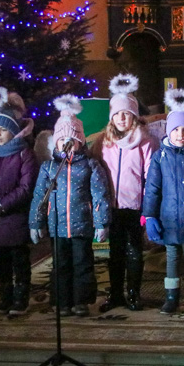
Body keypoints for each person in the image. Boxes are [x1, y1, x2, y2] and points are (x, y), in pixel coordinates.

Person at [29, 95, 110, 317]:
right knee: (60, 266)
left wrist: (102, 222)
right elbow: (39, 196)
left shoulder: (89, 165)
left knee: (82, 264)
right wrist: (36, 223)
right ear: (55, 142)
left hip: (81, 227)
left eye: (72, 140)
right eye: (62, 139)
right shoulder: (49, 168)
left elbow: (100, 194)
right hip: (57, 227)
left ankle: (81, 301)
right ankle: (62, 301)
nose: (67, 144)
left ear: (80, 142)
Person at [91, 74, 158, 312]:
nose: (121, 118)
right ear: (112, 117)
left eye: (126, 113)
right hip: (112, 206)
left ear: (133, 116)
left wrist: (149, 208)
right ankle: (116, 293)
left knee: (134, 252)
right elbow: (94, 171)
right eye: (117, 113)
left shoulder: (146, 142)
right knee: (115, 252)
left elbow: (152, 176)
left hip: (135, 206)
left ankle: (133, 294)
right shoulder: (103, 142)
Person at [143, 89, 184, 315]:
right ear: (168, 132)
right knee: (171, 257)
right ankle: (172, 297)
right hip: (169, 217)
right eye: (176, 130)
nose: (181, 134)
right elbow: (152, 188)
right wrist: (150, 215)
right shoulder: (160, 156)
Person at [0, 88, 38, 316]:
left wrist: (3, 204)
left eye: (3, 130)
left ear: (13, 131)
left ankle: (21, 299)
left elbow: (26, 187)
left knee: (19, 261)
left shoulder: (24, 154)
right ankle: (5, 297)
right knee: (1, 261)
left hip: (14, 218)